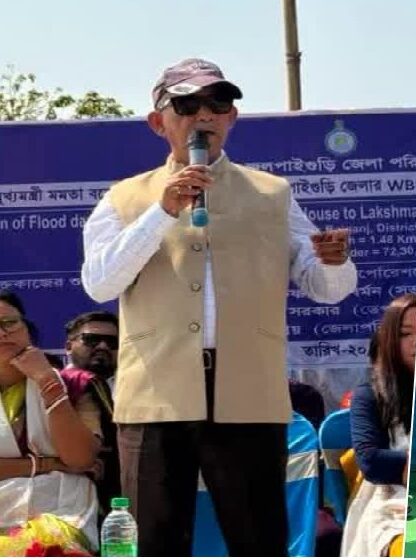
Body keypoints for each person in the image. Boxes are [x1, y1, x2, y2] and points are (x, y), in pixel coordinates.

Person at [79, 58, 357, 556]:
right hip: (155, 390)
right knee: (154, 541)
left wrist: (334, 263)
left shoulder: (272, 194)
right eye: (187, 105)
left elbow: (325, 287)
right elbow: (100, 283)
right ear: (158, 122)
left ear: (232, 118)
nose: (204, 114)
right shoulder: (125, 198)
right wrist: (162, 211)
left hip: (248, 387)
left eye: (218, 102)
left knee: (258, 538)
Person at [0, 292, 102, 551]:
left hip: (62, 511)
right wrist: (49, 464)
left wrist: (47, 382)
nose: (2, 333)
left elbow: (80, 460)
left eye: (9, 323)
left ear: (27, 328)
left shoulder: (73, 383)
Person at [341, 294, 416, 557]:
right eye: (406, 334)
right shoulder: (370, 394)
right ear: (390, 341)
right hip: (391, 499)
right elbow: (371, 461)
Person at [62, 310, 120, 521]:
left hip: (121, 502)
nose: (103, 346)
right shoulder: (53, 384)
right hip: (64, 497)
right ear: (68, 346)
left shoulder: (138, 391)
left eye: (112, 342)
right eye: (91, 339)